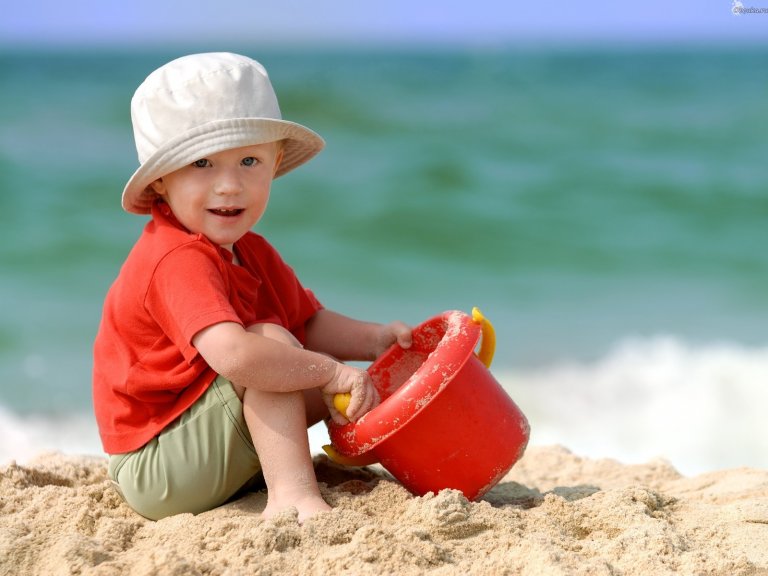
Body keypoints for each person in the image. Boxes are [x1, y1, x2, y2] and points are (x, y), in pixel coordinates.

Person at [92, 52, 412, 523]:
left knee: (322, 366)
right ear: (160, 182)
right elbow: (236, 357)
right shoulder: (176, 257)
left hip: (201, 450)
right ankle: (293, 498)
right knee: (270, 346)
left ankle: (301, 466)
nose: (229, 186)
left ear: (275, 162)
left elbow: (310, 322)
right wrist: (325, 373)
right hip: (156, 466)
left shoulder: (252, 249)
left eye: (248, 161)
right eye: (202, 163)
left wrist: (376, 340)